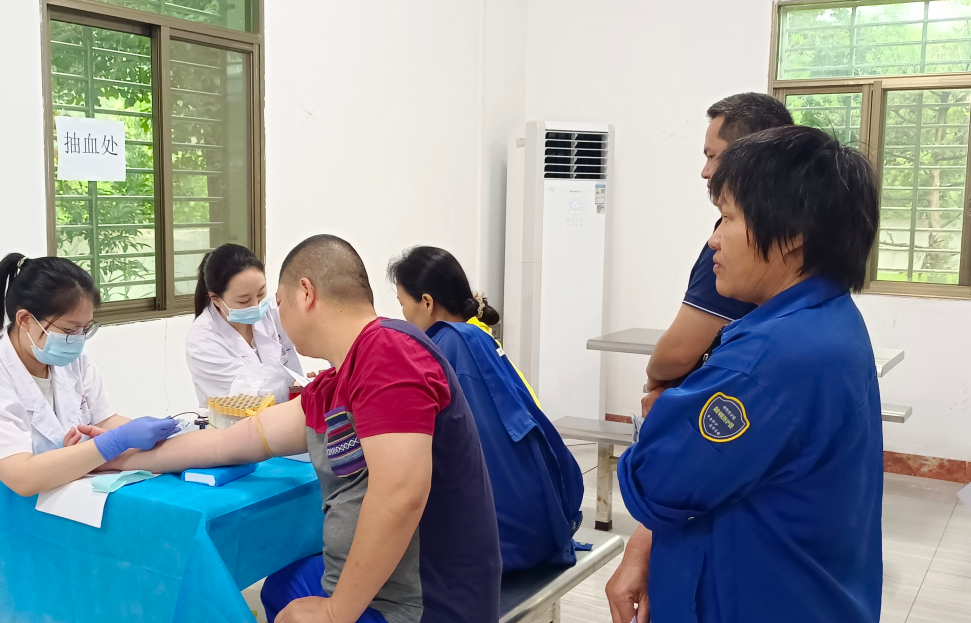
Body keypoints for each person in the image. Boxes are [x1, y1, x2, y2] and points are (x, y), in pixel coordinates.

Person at [105, 235, 500, 623]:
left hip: (421, 603)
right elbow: (230, 442)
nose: (272, 315)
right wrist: (118, 455)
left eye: (276, 302)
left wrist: (335, 612)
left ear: (306, 293)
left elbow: (401, 494)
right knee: (282, 587)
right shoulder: (338, 382)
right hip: (385, 590)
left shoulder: (388, 355)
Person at [606, 126, 884, 623]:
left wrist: (661, 418)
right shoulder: (823, 318)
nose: (713, 239)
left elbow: (658, 478)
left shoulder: (770, 358)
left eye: (728, 217)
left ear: (793, 234)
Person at [387, 245, 584, 572]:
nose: (403, 315)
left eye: (402, 304)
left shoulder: (442, 348)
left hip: (495, 547)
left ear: (427, 302)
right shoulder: (480, 338)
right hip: (541, 526)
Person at [0, 254, 179, 528]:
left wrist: (157, 435)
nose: (78, 339)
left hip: (56, 517)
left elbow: (104, 419)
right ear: (25, 319)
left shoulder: (72, 363)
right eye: (69, 330)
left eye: (85, 329)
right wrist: (114, 442)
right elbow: (23, 477)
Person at [644, 93, 794, 414]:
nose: (705, 171)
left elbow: (678, 352)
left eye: (714, 156)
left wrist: (656, 380)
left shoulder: (746, 244)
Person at [186, 243, 304, 407]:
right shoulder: (203, 340)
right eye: (244, 300)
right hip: (238, 419)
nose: (256, 305)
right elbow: (245, 397)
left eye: (261, 293)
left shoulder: (272, 310)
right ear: (216, 299)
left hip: (291, 411)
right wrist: (302, 387)